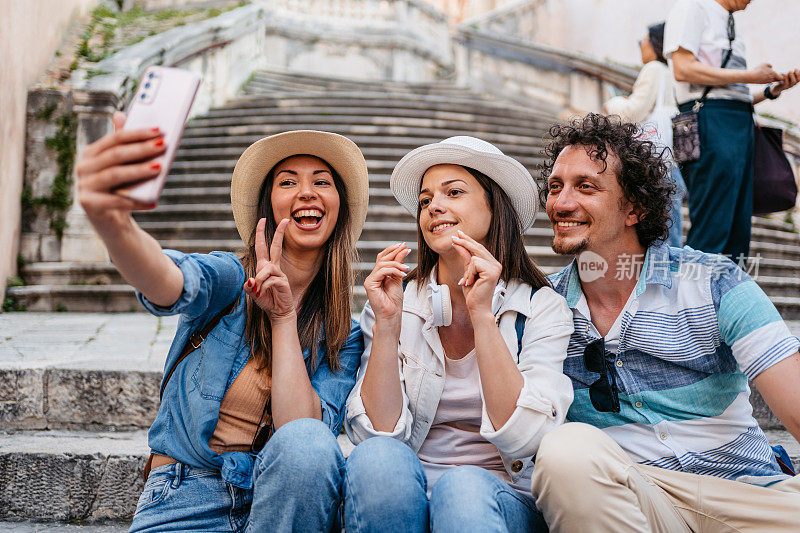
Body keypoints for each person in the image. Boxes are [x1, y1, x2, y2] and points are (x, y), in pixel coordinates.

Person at [76, 117, 368, 532]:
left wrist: (283, 319)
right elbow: (170, 280)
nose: (306, 192)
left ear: (338, 207)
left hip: (279, 504)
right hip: (184, 497)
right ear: (269, 206)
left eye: (322, 182)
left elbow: (303, 439)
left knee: (310, 443)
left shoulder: (344, 335)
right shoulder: (231, 279)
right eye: (287, 182)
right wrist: (115, 225)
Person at [531, 113, 800, 532]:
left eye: (586, 186)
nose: (560, 203)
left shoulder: (714, 282)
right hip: (637, 499)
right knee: (565, 451)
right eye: (555, 186)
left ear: (633, 207)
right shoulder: (539, 306)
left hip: (750, 497)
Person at [342, 136, 574, 532]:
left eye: (454, 192)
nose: (434, 206)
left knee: (462, 488)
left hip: (497, 496)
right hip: (406, 488)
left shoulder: (541, 308)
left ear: (494, 206)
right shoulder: (398, 301)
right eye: (425, 199)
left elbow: (527, 438)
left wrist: (482, 315)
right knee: (377, 459)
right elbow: (373, 433)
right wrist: (387, 326)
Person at [664, 0, 800, 260]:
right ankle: (693, 297)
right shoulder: (693, 9)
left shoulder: (728, 20)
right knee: (713, 225)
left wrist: (771, 91)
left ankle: (728, 298)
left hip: (738, 122)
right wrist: (750, 75)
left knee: (738, 231)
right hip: (711, 122)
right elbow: (682, 69)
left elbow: (731, 92)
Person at [605, 22, 686, 247]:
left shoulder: (654, 69)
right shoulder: (674, 72)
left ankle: (656, 277)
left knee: (655, 229)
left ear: (655, 44)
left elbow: (633, 112)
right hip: (673, 161)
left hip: (654, 161)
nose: (641, 46)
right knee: (672, 226)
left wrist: (612, 104)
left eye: (644, 41)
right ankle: (672, 274)